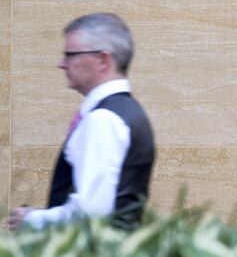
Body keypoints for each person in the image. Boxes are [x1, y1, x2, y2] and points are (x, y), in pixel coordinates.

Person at [6, 13, 155, 231]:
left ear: (103, 60)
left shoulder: (103, 119)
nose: (62, 64)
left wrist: (32, 220)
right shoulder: (125, 111)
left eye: (70, 54)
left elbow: (92, 214)